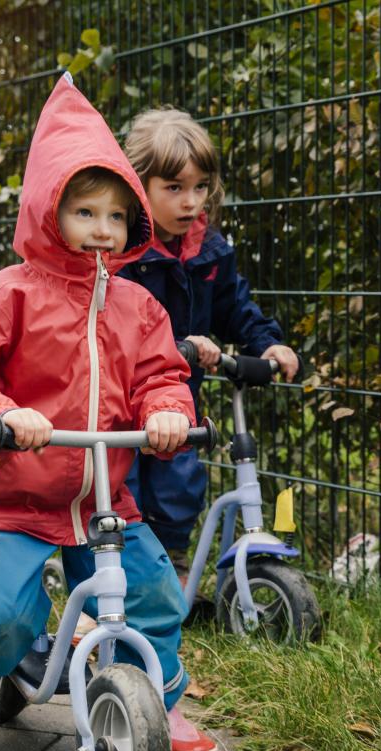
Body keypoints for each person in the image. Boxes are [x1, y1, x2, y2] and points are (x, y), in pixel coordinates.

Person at [0, 75, 220, 751]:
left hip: (104, 498)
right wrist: (1, 415)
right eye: (85, 211)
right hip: (8, 497)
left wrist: (165, 411)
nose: (103, 228)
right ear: (46, 211)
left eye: (118, 216)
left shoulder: (138, 308)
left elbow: (163, 372)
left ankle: (156, 694)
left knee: (151, 593)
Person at [117, 107, 300, 579]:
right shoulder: (121, 253)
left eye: (200, 188)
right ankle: (114, 577)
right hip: (119, 398)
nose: (190, 202)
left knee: (180, 481)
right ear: (140, 185)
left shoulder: (210, 250)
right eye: (174, 188)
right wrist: (179, 344)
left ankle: (172, 568)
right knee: (123, 485)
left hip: (177, 399)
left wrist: (267, 344)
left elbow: (234, 307)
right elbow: (111, 329)